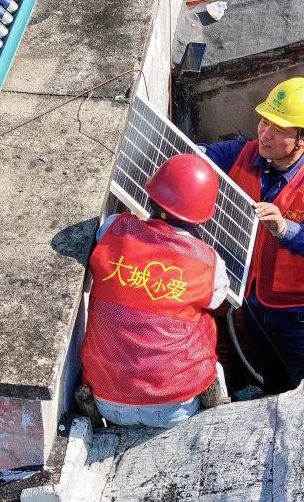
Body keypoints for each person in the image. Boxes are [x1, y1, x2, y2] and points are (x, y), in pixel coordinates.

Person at [202, 77, 304, 394]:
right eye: (264, 122)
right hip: (254, 304)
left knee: (301, 392)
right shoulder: (241, 153)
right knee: (267, 384)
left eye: (280, 129)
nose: (265, 134)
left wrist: (284, 228)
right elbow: (195, 156)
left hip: (300, 317)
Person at [80, 154, 233, 428]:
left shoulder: (113, 228)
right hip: (174, 406)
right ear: (202, 214)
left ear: (152, 195)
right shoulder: (209, 262)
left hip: (107, 400)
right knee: (204, 323)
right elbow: (216, 300)